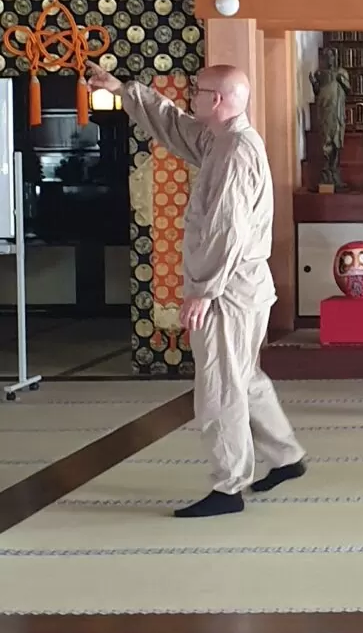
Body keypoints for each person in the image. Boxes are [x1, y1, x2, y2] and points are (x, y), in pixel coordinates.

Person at [87, 59, 306, 519]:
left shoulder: (233, 152)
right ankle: (286, 457)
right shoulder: (222, 138)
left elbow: (227, 230)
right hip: (243, 286)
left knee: (220, 388)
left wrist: (202, 290)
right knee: (242, 377)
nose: (192, 97)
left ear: (220, 100)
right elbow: (175, 126)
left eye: (199, 91)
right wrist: (126, 90)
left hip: (228, 290)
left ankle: (229, 487)